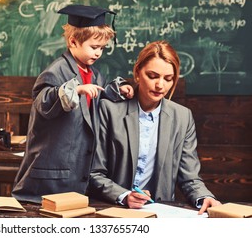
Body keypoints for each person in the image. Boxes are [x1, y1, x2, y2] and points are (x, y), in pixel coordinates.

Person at [12, 4, 134, 203]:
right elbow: (43, 101)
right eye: (94, 47)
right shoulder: (56, 71)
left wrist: (118, 89)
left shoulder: (93, 73)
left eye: (102, 48)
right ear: (73, 41)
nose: (98, 53)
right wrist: (74, 89)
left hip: (77, 168)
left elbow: (98, 96)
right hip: (52, 173)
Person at [88, 40, 221, 214]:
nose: (160, 85)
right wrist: (124, 195)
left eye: (168, 79)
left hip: (160, 214)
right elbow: (94, 173)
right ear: (137, 73)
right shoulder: (110, 111)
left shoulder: (182, 117)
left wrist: (205, 197)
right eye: (152, 76)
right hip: (114, 210)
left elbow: (190, 178)